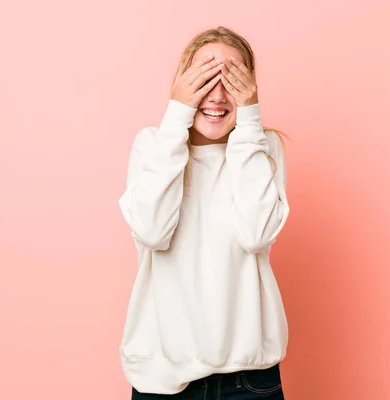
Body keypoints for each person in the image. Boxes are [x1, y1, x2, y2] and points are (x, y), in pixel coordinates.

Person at [118, 26, 290, 399]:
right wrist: (176, 116)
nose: (217, 94)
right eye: (205, 77)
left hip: (249, 380)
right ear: (182, 83)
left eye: (233, 79)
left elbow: (256, 233)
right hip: (161, 379)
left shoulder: (262, 147)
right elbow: (151, 231)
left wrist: (249, 124)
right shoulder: (152, 146)